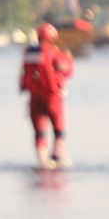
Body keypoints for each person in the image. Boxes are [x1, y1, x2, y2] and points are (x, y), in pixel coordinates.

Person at [19, 22, 74, 168]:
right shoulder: (56, 53)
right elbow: (68, 71)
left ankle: (42, 161)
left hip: (35, 98)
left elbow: (24, 76)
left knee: (40, 133)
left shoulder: (29, 53)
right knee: (59, 131)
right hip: (53, 98)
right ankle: (57, 157)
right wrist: (68, 58)